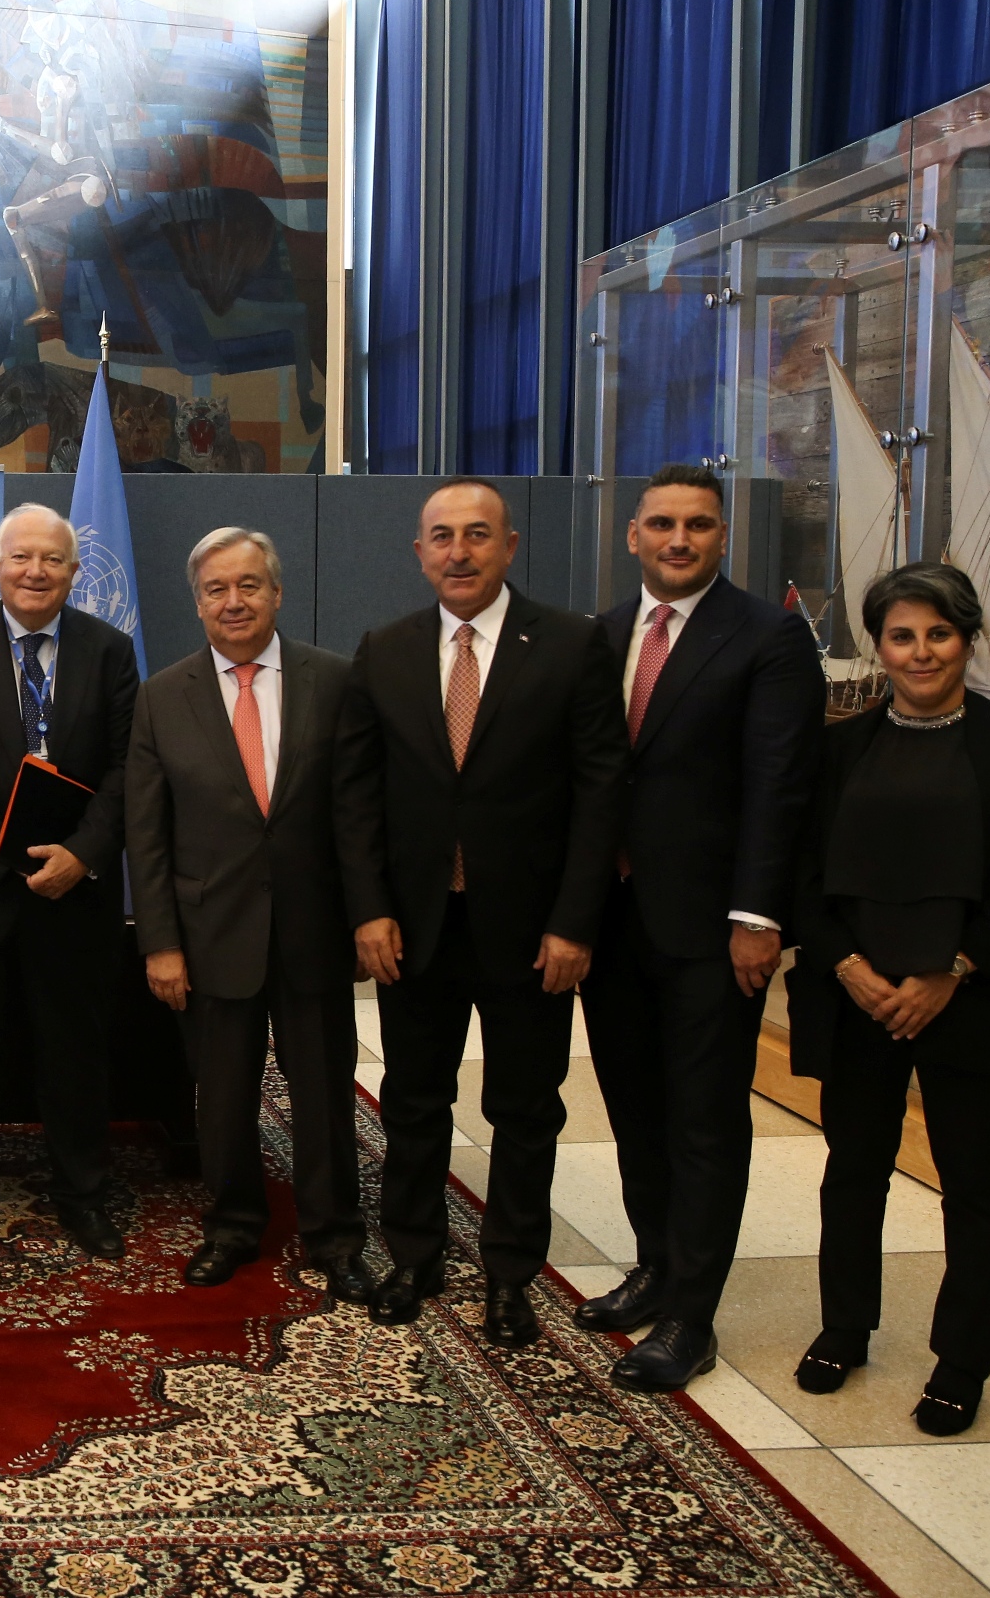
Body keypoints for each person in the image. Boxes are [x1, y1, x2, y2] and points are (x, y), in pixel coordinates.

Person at [340, 480, 625, 1341]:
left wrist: (575, 921)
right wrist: (369, 909)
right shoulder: (383, 650)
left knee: (524, 1108)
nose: (457, 552)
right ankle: (414, 1256)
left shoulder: (570, 644)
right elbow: (356, 796)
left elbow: (600, 792)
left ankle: (509, 1273)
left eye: (475, 535)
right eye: (441, 537)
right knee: (412, 1099)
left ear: (508, 546)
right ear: (418, 552)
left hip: (532, 931)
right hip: (414, 926)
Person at [785, 563, 990, 1437]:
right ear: (878, 645)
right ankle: (844, 1327)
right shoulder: (839, 748)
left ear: (966, 640)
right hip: (858, 997)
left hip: (970, 998)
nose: (920, 652)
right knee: (852, 1171)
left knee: (973, 1185)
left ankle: (961, 1360)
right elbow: (802, 876)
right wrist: (847, 967)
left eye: (938, 634)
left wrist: (952, 970)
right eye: (901, 636)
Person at [574, 466, 824, 1389]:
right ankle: (654, 1264)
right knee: (634, 1105)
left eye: (698, 525)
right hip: (611, 922)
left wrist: (757, 917)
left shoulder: (767, 636)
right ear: (632, 534)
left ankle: (691, 1315)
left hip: (714, 929)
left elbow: (779, 784)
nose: (678, 540)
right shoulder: (600, 635)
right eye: (662, 524)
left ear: (722, 537)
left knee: (704, 1120)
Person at [125, 528, 369, 1294]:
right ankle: (231, 1226)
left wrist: (367, 917)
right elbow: (146, 833)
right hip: (209, 936)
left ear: (276, 592)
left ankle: (334, 1237)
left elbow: (357, 815)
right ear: (197, 603)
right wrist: (160, 942)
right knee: (223, 1100)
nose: (233, 601)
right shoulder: (161, 696)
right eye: (216, 589)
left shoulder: (333, 680)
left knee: (323, 1095)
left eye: (248, 585)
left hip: (313, 931)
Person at [0, 503, 138, 1262]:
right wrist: (11, 856)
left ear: (73, 572)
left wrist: (82, 853)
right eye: (21, 557)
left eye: (52, 559)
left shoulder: (109, 651)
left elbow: (127, 766)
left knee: (74, 1054)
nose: (35, 572)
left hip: (77, 892)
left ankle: (83, 1197)